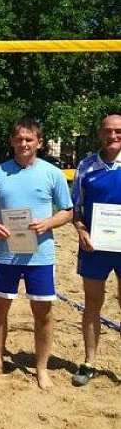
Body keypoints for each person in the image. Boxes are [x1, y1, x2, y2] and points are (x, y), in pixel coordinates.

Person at [0, 118, 73, 389]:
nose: (23, 143)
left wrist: (48, 223)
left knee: (43, 311)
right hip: (5, 254)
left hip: (40, 255)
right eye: (19, 138)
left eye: (29, 139)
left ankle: (41, 368)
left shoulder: (53, 173)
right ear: (12, 141)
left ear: (39, 143)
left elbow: (67, 211)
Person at [70, 113, 121, 387]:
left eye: (118, 131)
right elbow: (75, 209)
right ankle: (90, 362)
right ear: (100, 134)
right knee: (92, 304)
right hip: (94, 247)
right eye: (108, 131)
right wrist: (81, 230)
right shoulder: (86, 166)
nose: (113, 135)